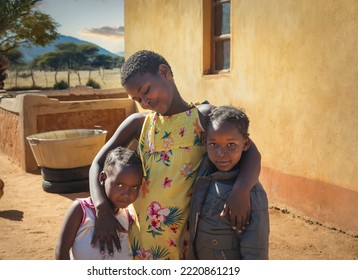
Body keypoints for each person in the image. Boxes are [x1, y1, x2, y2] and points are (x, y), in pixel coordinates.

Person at [88, 50, 261, 260]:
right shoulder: (139, 124)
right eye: (137, 98)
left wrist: (241, 190)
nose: (144, 102)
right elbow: (97, 163)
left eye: (146, 91)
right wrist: (102, 208)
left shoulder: (203, 117)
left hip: (185, 239)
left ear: (165, 72)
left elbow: (251, 150)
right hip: (141, 238)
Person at [188, 105, 269, 260]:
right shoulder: (204, 171)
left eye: (231, 145)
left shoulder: (253, 195)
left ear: (245, 144)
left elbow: (256, 252)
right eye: (213, 144)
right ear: (205, 142)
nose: (221, 153)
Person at [55, 147, 143, 260]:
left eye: (134, 187)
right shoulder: (81, 210)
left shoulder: (129, 214)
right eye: (119, 185)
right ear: (102, 178)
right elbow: (61, 251)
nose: (126, 194)